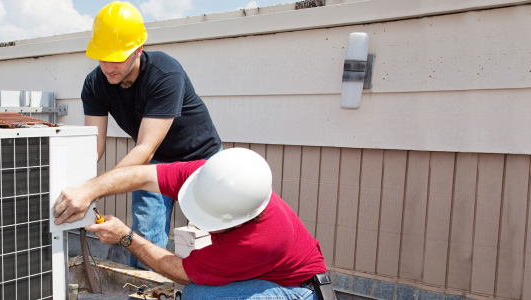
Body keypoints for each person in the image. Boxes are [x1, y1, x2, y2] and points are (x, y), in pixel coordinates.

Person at [54, 148, 328, 299]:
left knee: (200, 297)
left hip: (300, 290)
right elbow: (140, 175)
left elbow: (181, 272)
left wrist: (126, 236)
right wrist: (90, 190)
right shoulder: (210, 176)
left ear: (241, 220)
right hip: (268, 271)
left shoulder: (259, 241)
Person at [80, 1, 222, 267]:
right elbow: (93, 146)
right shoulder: (95, 84)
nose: (109, 67)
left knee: (216, 235)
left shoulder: (165, 73)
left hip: (202, 160)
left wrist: (93, 190)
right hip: (155, 163)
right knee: (144, 237)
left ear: (138, 50)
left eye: (119, 57)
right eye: (103, 57)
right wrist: (77, 184)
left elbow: (145, 147)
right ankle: (146, 292)